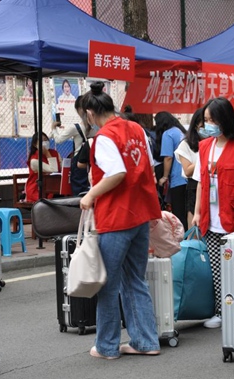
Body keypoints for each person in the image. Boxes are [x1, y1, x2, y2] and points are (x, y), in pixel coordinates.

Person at [79, 81, 161, 359]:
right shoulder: (137, 128)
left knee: (108, 283)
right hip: (141, 214)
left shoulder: (103, 137)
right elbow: (148, 167)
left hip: (116, 217)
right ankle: (146, 341)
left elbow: (116, 173)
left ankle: (107, 346)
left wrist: (90, 194)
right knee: (135, 280)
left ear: (90, 113)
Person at [192, 97, 234, 329]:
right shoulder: (204, 147)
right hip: (211, 220)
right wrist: (197, 212)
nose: (208, 124)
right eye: (206, 120)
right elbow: (201, 182)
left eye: (212, 120)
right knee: (217, 268)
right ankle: (222, 311)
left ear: (226, 120)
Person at [156, 111, 188, 230]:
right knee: (188, 211)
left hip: (178, 179)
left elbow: (168, 157)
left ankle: (183, 242)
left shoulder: (168, 134)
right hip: (188, 177)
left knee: (179, 212)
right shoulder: (181, 132)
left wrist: (164, 177)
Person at [174, 108, 204, 227]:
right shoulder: (186, 145)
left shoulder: (215, 142)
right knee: (195, 226)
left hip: (213, 185)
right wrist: (206, 160)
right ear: (196, 125)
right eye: (204, 123)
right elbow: (187, 171)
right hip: (194, 186)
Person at [25, 132, 62, 203]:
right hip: (38, 190)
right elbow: (54, 170)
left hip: (54, 187)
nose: (44, 142)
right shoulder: (34, 160)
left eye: (46, 140)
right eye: (41, 141)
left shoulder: (55, 152)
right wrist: (48, 154)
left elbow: (62, 168)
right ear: (35, 145)